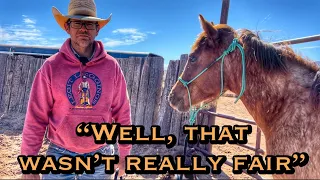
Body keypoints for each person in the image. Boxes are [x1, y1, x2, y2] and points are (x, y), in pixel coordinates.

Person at [20, 0, 132, 179]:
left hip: (101, 154)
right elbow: (36, 117)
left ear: (98, 29)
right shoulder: (51, 67)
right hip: (59, 154)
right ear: (67, 27)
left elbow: (122, 112)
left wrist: (125, 153)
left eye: (89, 23)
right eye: (77, 22)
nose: (83, 28)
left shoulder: (112, 67)